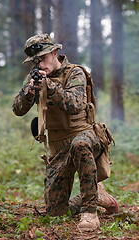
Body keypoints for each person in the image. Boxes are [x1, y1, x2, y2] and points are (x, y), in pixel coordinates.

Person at [12, 34, 118, 231]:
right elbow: (18, 109)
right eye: (35, 61)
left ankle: (90, 212)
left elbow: (75, 104)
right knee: (55, 213)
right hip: (58, 146)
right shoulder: (34, 77)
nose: (39, 64)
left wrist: (49, 86)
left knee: (80, 144)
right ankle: (96, 194)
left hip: (85, 136)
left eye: (42, 58)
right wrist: (30, 92)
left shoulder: (75, 72)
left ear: (54, 53)